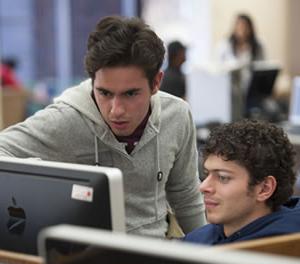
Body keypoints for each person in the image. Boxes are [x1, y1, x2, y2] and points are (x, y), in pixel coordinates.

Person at [0, 16, 206, 238]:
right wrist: (50, 185)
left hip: (157, 255)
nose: (116, 110)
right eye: (105, 93)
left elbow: (186, 196)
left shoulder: (176, 115)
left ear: (156, 82)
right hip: (88, 260)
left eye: (130, 93)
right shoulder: (67, 120)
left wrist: (209, 256)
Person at [183, 119, 300, 245]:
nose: (203, 187)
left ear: (264, 188)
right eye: (206, 174)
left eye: (223, 177)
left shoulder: (282, 251)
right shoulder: (196, 240)